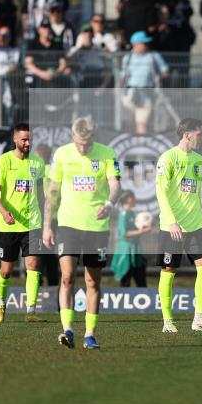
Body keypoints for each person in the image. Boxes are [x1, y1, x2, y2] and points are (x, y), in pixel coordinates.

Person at [43, 117, 121, 349]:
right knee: (67, 277)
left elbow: (115, 184)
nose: (83, 148)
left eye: (87, 144)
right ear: (72, 137)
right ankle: (67, 329)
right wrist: (47, 224)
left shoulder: (107, 153)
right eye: (79, 143)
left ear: (93, 137)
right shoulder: (62, 155)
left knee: (92, 281)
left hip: (97, 227)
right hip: (68, 224)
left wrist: (109, 204)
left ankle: (89, 334)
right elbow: (53, 192)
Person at [154, 118, 202, 333]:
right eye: (200, 134)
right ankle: (168, 321)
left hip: (196, 225)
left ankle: (199, 319)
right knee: (168, 271)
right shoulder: (168, 158)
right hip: (172, 227)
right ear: (187, 134)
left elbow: (196, 193)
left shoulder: (198, 159)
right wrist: (171, 221)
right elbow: (161, 192)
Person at [0, 124, 46, 323]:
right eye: (24, 140)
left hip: (33, 223)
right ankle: (1, 303)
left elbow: (42, 194)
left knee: (33, 263)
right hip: (9, 225)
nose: (28, 143)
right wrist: (4, 213)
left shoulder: (38, 164)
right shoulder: (4, 161)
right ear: (15, 139)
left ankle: (31, 310)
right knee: (7, 270)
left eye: (30, 139)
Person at [120, 31, 169, 135]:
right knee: (127, 123)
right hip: (129, 95)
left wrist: (159, 76)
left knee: (141, 124)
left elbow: (165, 71)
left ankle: (141, 145)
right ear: (135, 44)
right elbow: (122, 77)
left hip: (146, 94)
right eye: (144, 43)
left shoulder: (154, 56)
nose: (146, 45)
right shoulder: (127, 58)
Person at [110, 191, 151, 288]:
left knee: (141, 281)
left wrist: (145, 227)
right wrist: (142, 232)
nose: (135, 200)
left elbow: (137, 228)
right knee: (125, 280)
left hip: (136, 251)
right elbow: (125, 234)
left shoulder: (132, 213)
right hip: (126, 252)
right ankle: (124, 301)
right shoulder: (123, 215)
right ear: (127, 199)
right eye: (133, 197)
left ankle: (143, 299)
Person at [33, 144, 60, 288]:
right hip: (51, 219)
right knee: (47, 252)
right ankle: (52, 284)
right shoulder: (52, 171)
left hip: (45, 219)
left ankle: (40, 282)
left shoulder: (44, 171)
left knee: (40, 252)